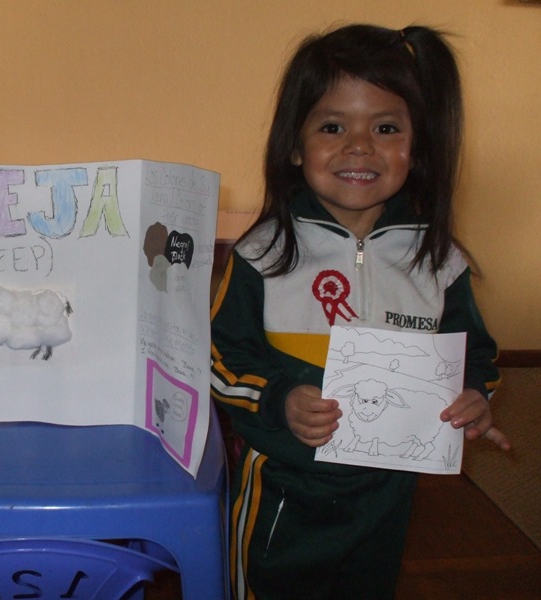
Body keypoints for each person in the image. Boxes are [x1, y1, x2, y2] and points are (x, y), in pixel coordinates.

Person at [209, 23, 510, 600]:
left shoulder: (440, 260)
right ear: (295, 145)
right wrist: (278, 398)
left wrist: (475, 395)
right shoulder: (264, 251)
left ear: (417, 148)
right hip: (283, 486)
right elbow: (219, 356)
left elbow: (476, 356)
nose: (359, 145)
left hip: (388, 491)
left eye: (386, 128)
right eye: (332, 126)